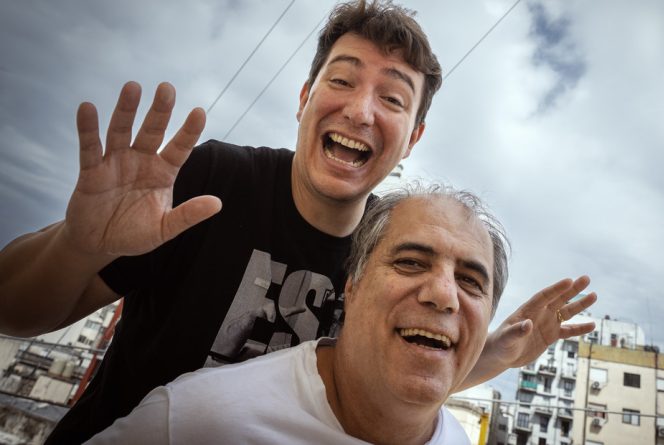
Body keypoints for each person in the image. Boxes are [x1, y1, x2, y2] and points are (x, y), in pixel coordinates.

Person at [0, 1, 597, 442]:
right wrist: (78, 244)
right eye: (342, 80)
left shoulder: (393, 254)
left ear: (413, 138)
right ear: (305, 98)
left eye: (392, 99)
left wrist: (494, 353)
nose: (360, 110)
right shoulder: (216, 181)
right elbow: (15, 312)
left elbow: (374, 388)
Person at [87, 185, 549, 444]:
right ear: (352, 286)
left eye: (471, 281)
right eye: (410, 262)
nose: (445, 295)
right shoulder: (197, 421)